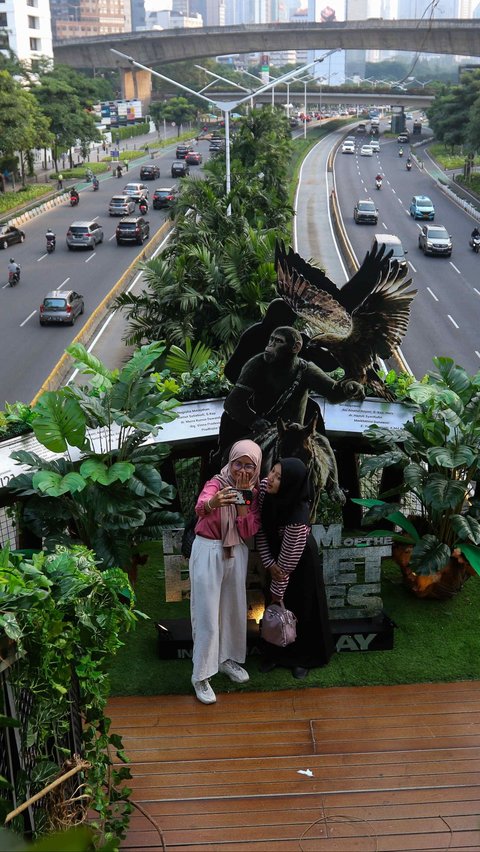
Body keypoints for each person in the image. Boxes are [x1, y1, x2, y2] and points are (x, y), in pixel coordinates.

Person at [218, 326, 364, 469]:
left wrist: (349, 387)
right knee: (229, 458)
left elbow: (333, 393)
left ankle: (333, 490)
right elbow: (233, 402)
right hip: (264, 430)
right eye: (271, 340)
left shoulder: (306, 369)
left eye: (278, 341)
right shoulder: (257, 364)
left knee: (325, 449)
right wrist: (254, 421)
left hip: (297, 433)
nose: (270, 345)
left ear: (295, 347)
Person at [189, 440, 262, 705]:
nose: (241, 469)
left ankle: (226, 659)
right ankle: (201, 675)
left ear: (256, 468)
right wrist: (213, 504)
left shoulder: (253, 492)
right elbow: (200, 507)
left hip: (236, 552)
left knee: (233, 609)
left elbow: (247, 531)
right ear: (230, 461)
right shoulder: (217, 482)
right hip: (209, 549)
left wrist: (243, 499)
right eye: (238, 463)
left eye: (248, 465)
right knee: (207, 614)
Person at [257, 458, 334, 678]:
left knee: (300, 607)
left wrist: (276, 587)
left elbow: (286, 568)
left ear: (291, 484)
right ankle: (274, 654)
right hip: (273, 555)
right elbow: (260, 529)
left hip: (298, 563)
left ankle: (302, 658)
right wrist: (269, 564)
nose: (270, 478)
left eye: (279, 477)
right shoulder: (265, 490)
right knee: (274, 612)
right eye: (272, 471)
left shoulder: (297, 519)